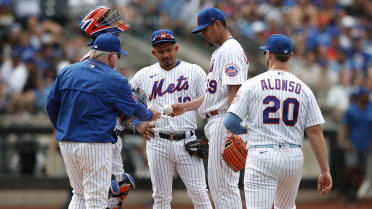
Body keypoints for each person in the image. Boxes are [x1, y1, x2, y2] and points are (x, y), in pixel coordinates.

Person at [45, 33, 160, 209]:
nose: (117, 60)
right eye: (118, 56)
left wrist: (62, 128)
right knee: (96, 200)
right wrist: (151, 114)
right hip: (95, 144)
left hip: (67, 142)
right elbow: (138, 112)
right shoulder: (115, 79)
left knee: (79, 195)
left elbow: (51, 106)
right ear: (111, 56)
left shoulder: (67, 71)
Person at [223, 34, 332, 209]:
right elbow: (315, 132)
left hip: (262, 155)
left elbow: (230, 122)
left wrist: (246, 131)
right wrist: (325, 171)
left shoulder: (252, 84)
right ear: (290, 56)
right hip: (292, 158)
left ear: (268, 54)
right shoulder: (304, 89)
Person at [170, 8, 249, 209]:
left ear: (218, 24)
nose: (202, 34)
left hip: (225, 121)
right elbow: (215, 95)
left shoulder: (230, 50)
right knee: (222, 186)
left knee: (222, 187)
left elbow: (235, 91)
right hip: (219, 119)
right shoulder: (221, 51)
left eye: (205, 29)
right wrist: (186, 106)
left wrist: (231, 132)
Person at [130, 29, 213, 209]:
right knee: (160, 197)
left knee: (200, 193)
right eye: (161, 51)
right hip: (157, 141)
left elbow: (209, 100)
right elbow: (127, 102)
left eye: (168, 49)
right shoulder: (143, 75)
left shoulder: (195, 71)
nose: (165, 54)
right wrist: (137, 123)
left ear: (176, 48)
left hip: (187, 139)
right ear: (154, 53)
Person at [79, 6, 134, 208]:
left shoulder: (103, 55)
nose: (114, 23)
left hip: (109, 132)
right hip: (99, 135)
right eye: (107, 21)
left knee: (117, 188)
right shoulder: (92, 61)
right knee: (103, 193)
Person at [341, 86, 372, 202]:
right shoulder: (351, 110)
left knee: (362, 171)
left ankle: (353, 192)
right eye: (365, 95)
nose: (367, 97)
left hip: (366, 144)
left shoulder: (370, 108)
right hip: (353, 143)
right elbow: (346, 127)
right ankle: (346, 189)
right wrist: (346, 140)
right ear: (360, 96)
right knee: (351, 167)